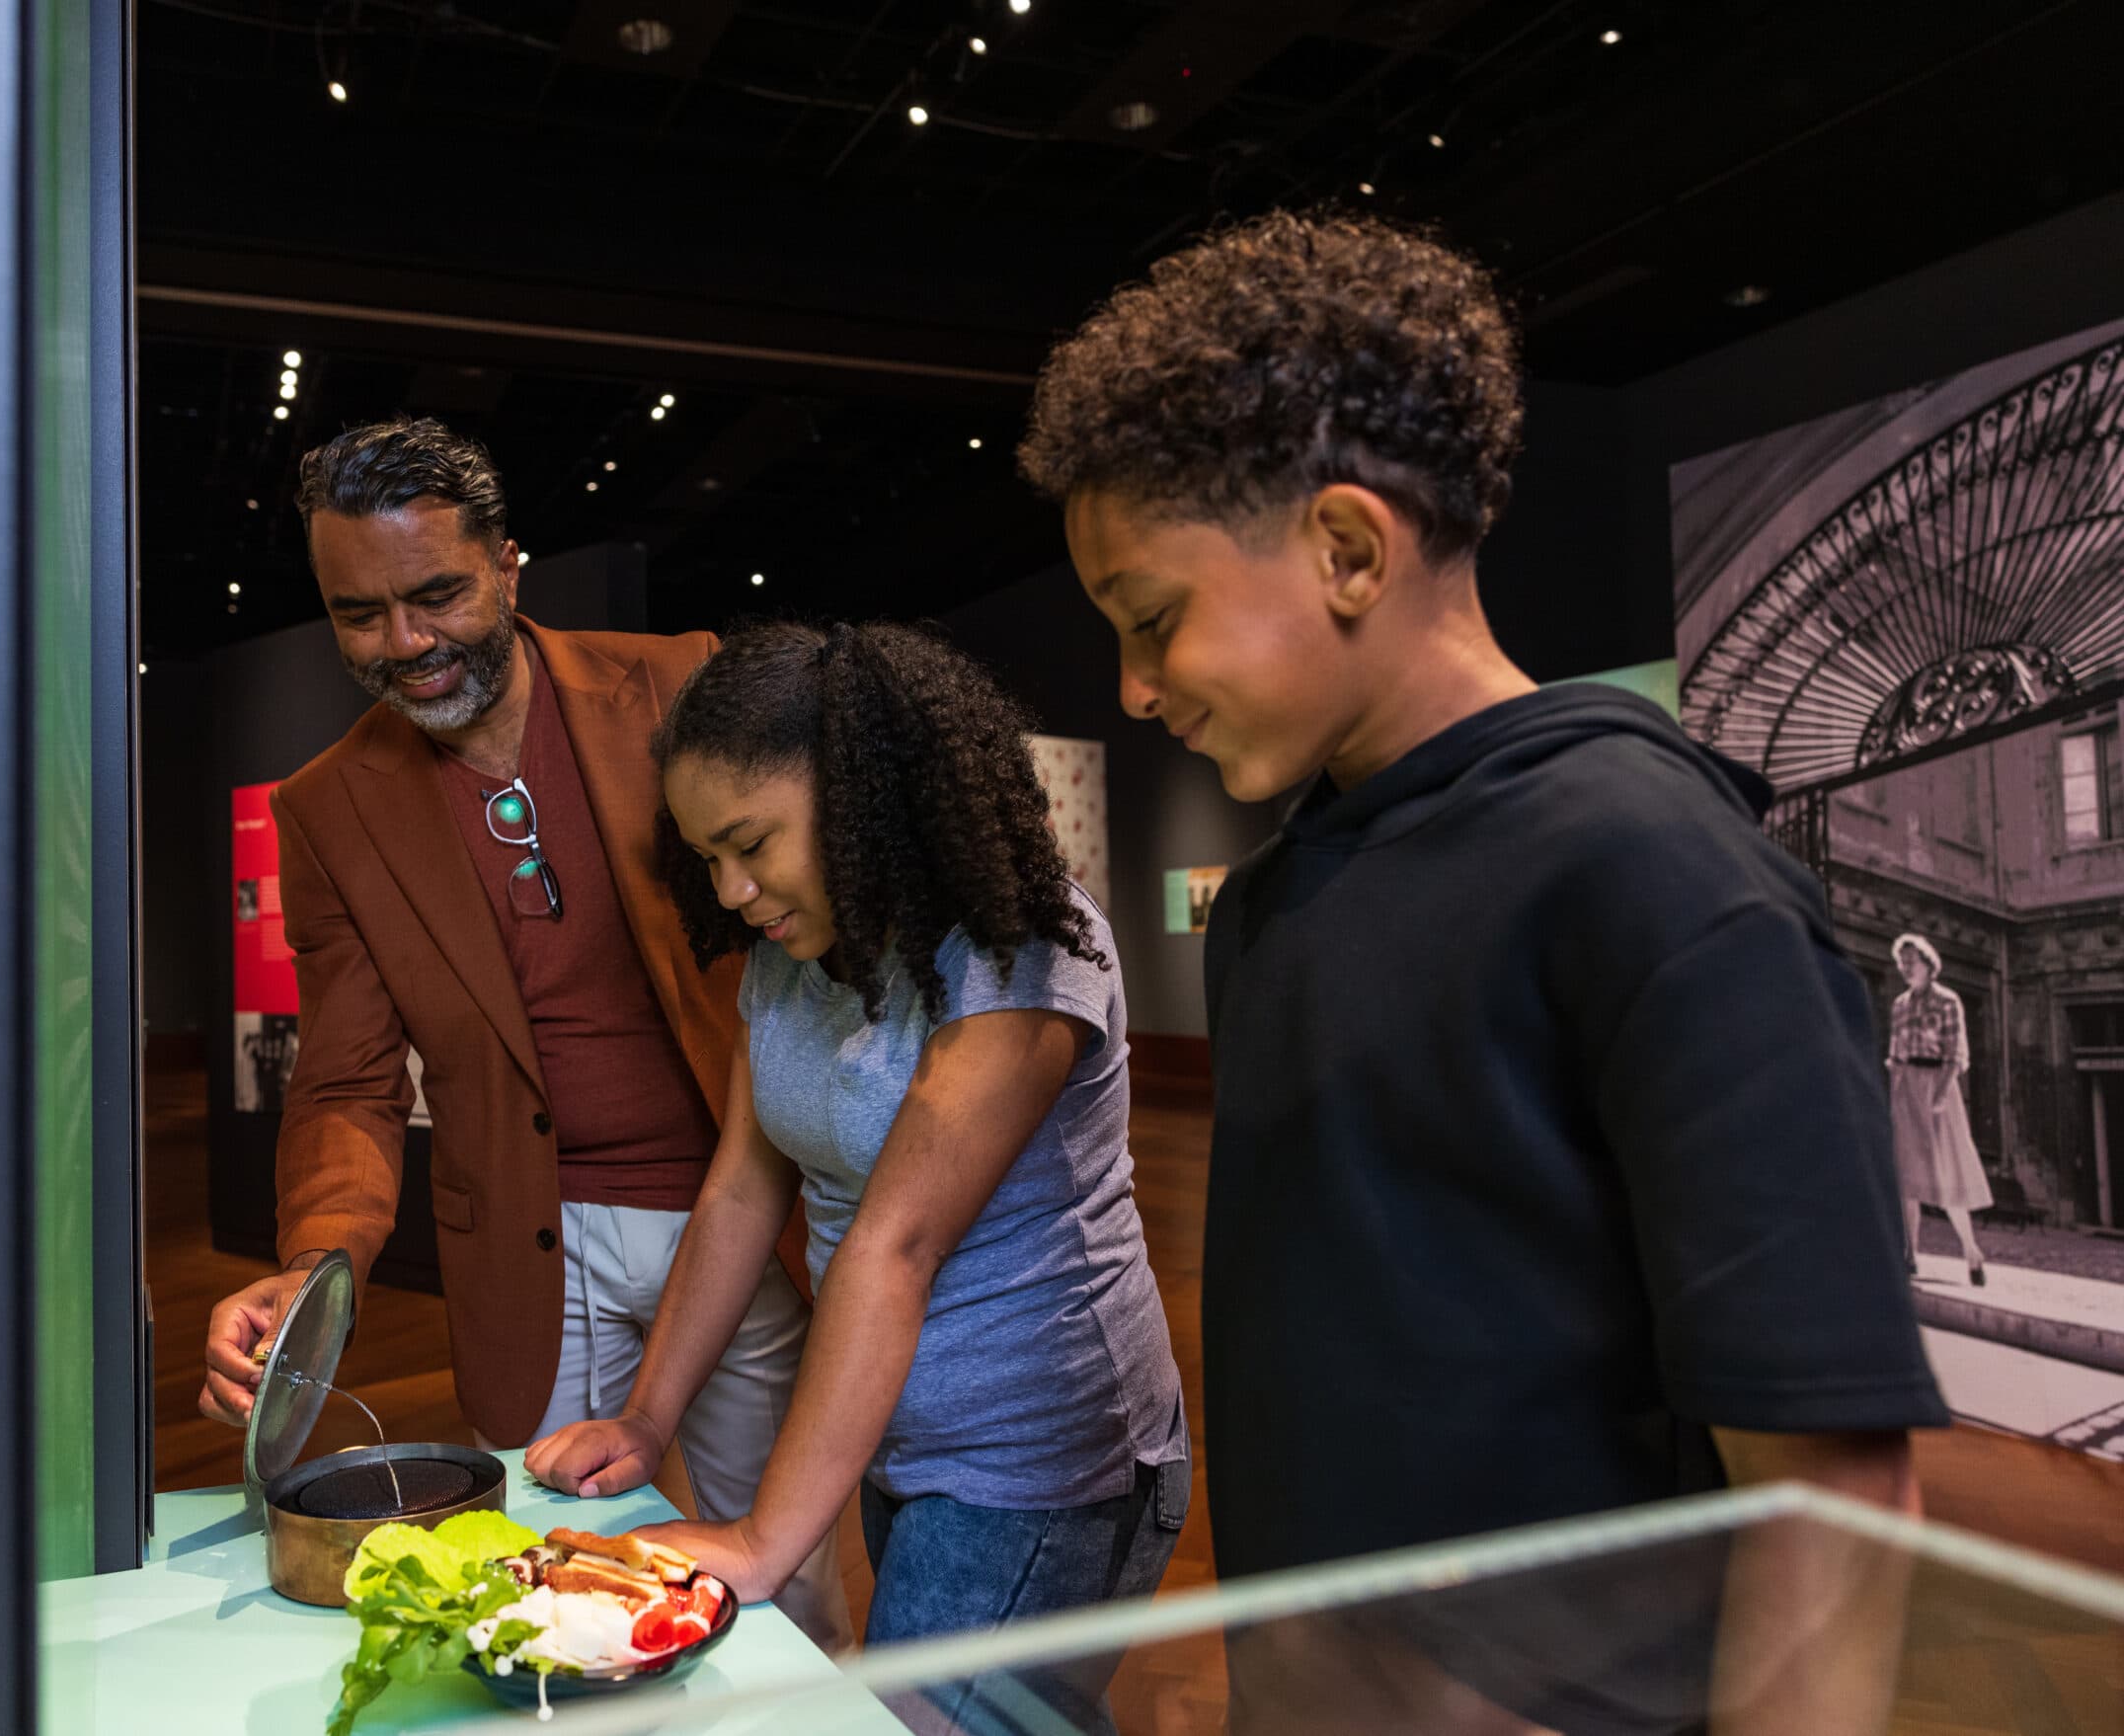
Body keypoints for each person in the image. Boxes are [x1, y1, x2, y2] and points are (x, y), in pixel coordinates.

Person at [1019, 211, 1945, 1733]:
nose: (1130, 687)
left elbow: (1831, 1497)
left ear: (1346, 548)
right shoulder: (1277, 895)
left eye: (1153, 619)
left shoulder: (1662, 874)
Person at [195, 419, 846, 1649]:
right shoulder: (328, 808)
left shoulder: (677, 684)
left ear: (506, 564)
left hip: (744, 1210)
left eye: (437, 593)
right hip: (531, 1254)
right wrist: (314, 1267)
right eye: (360, 614)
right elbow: (342, 1081)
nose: (407, 644)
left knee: (788, 1578)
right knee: (550, 1579)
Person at [526, 621, 1189, 1733]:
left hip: (1041, 1472)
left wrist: (759, 1543)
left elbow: (897, 1246)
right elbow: (741, 1193)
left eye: (751, 843)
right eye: (705, 858)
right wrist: (647, 1420)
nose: (730, 891)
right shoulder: (792, 962)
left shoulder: (1021, 945)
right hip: (904, 1450)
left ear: (862, 801)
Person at [1887, 932, 1992, 1286]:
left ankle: (1972, 1252)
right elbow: (1896, 1056)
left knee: (1947, 1174)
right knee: (1906, 1176)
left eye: (1910, 962)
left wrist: (1941, 1096)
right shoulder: (1900, 1004)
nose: (1905, 969)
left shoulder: (1948, 1001)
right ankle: (1910, 1253)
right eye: (1901, 963)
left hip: (1938, 1088)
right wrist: (1894, 1096)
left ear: (1929, 964)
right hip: (1907, 1089)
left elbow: (1956, 1055)